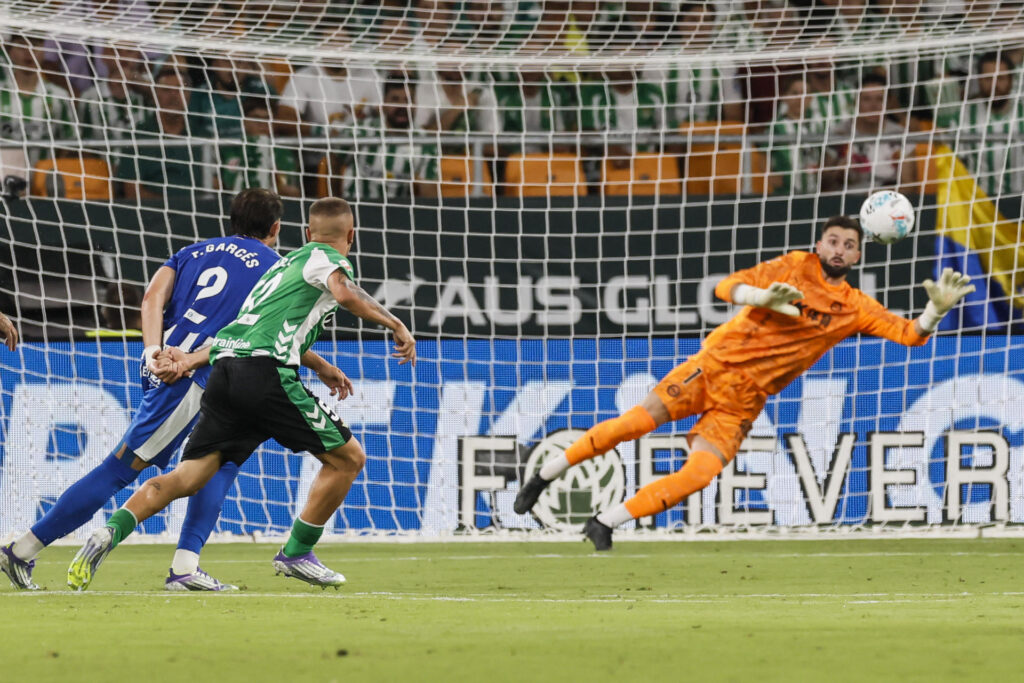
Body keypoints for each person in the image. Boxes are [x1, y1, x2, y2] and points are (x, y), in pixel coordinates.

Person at [514, 216, 975, 550]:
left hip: (744, 401)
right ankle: (543, 475)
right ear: (819, 245)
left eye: (848, 244)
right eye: (832, 240)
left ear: (858, 255)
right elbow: (726, 286)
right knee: (633, 424)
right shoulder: (793, 266)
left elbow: (909, 335)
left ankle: (605, 522)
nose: (839, 249)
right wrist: (760, 296)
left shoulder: (855, 307)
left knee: (700, 475)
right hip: (712, 368)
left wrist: (935, 311)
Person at [67, 197, 416, 590]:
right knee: (348, 459)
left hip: (225, 374)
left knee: (188, 476)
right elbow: (346, 292)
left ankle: (109, 531)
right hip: (266, 377)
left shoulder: (282, 268)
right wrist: (396, 324)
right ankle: (297, 551)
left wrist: (189, 360)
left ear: (306, 232)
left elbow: (237, 336)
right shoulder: (325, 259)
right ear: (351, 235)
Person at [0, 188, 296, 591]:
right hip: (194, 374)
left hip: (175, 365)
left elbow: (153, 296)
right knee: (120, 469)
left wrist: (153, 350)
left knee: (219, 462)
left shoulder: (193, 251)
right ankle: (21, 550)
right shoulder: (277, 269)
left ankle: (185, 568)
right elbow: (257, 333)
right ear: (275, 228)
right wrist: (188, 361)